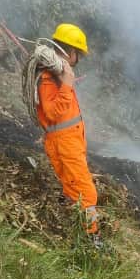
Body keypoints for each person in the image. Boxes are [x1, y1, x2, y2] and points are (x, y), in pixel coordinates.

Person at [34, 24, 101, 247]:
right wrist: (66, 86)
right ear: (69, 50)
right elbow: (53, 113)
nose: (78, 59)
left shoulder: (58, 73)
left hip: (70, 142)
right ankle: (91, 240)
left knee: (74, 188)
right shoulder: (49, 77)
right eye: (77, 54)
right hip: (64, 144)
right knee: (87, 193)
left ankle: (75, 228)